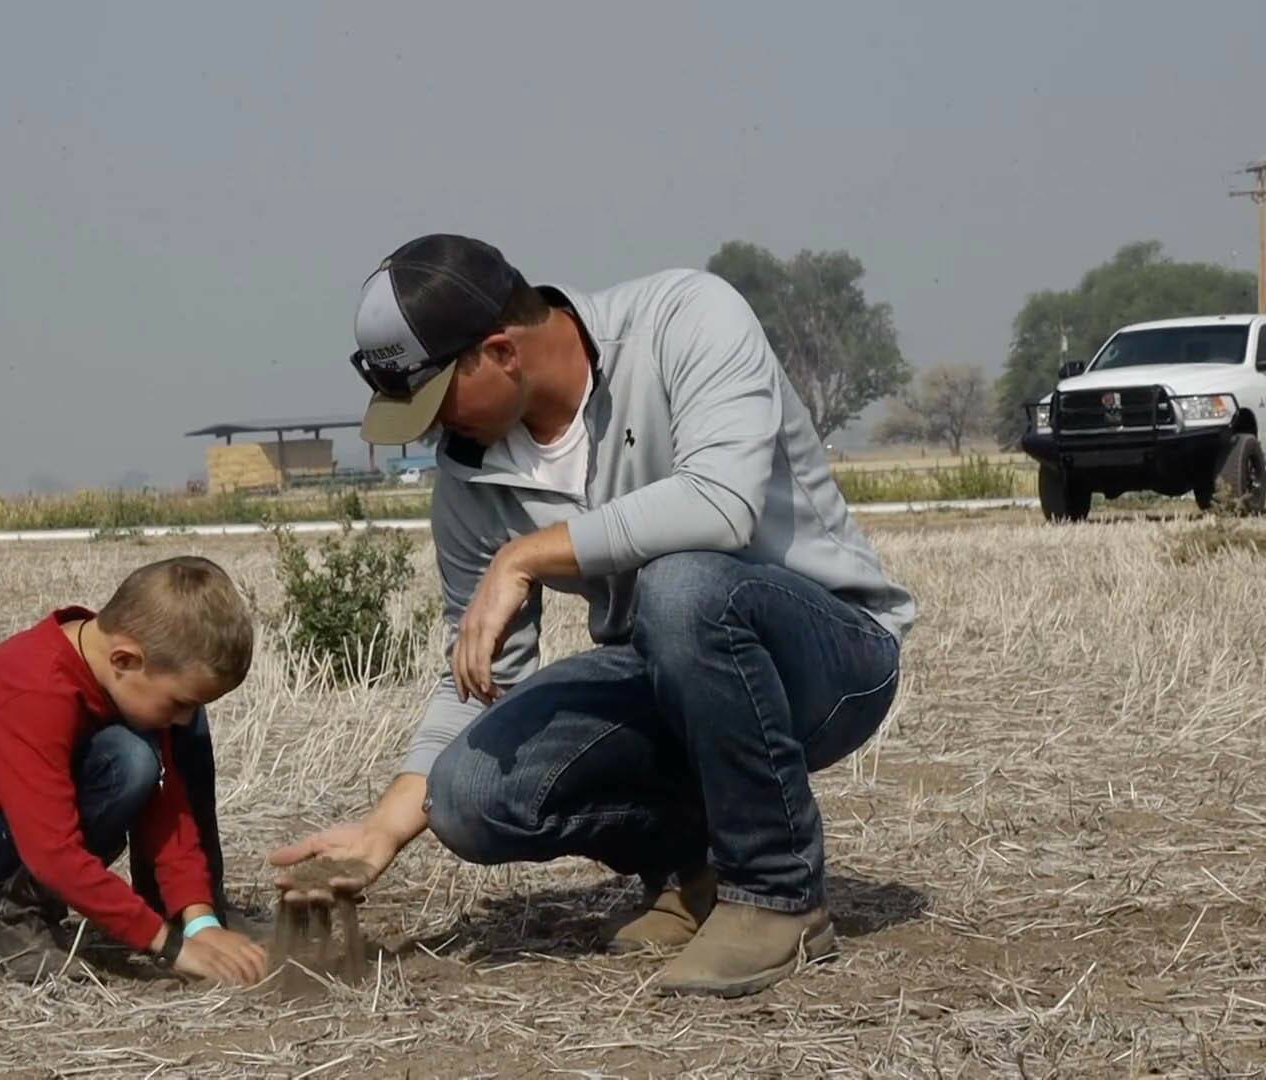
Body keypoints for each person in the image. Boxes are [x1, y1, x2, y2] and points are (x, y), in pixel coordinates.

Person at [270, 234, 915, 998]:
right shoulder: (471, 476)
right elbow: (484, 672)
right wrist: (384, 828)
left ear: (502, 351)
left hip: (830, 659)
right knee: (468, 795)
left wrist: (526, 556)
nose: (432, 430)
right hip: (670, 675)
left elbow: (722, 503)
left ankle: (776, 895)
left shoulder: (686, 318)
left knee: (683, 589)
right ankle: (696, 872)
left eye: (436, 401)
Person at [0, 555, 271, 986]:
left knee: (173, 736)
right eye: (178, 700)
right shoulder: (34, 690)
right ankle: (16, 923)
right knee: (131, 759)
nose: (181, 716)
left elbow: (168, 808)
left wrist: (198, 922)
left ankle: (177, 910)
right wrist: (170, 948)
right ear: (125, 659)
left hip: (38, 838)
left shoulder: (121, 676)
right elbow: (53, 852)